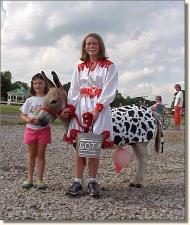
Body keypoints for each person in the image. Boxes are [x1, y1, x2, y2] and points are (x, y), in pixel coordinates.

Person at [59, 33, 118, 197]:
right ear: (84, 47)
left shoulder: (109, 66)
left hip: (99, 108)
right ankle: (77, 181)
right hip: (82, 107)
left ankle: (92, 181)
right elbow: (75, 90)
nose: (91, 46)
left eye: (94, 43)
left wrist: (97, 109)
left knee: (93, 146)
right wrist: (71, 107)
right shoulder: (79, 68)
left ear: (100, 46)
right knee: (80, 147)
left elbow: (109, 89)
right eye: (88, 44)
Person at [20, 73, 50, 189]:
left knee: (41, 155)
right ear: (32, 85)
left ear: (44, 84)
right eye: (35, 83)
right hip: (30, 130)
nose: (37, 85)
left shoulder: (48, 99)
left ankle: (40, 180)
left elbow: (53, 113)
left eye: (40, 83)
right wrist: (29, 119)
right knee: (32, 155)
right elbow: (22, 115)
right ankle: (29, 179)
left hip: (44, 130)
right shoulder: (29, 100)